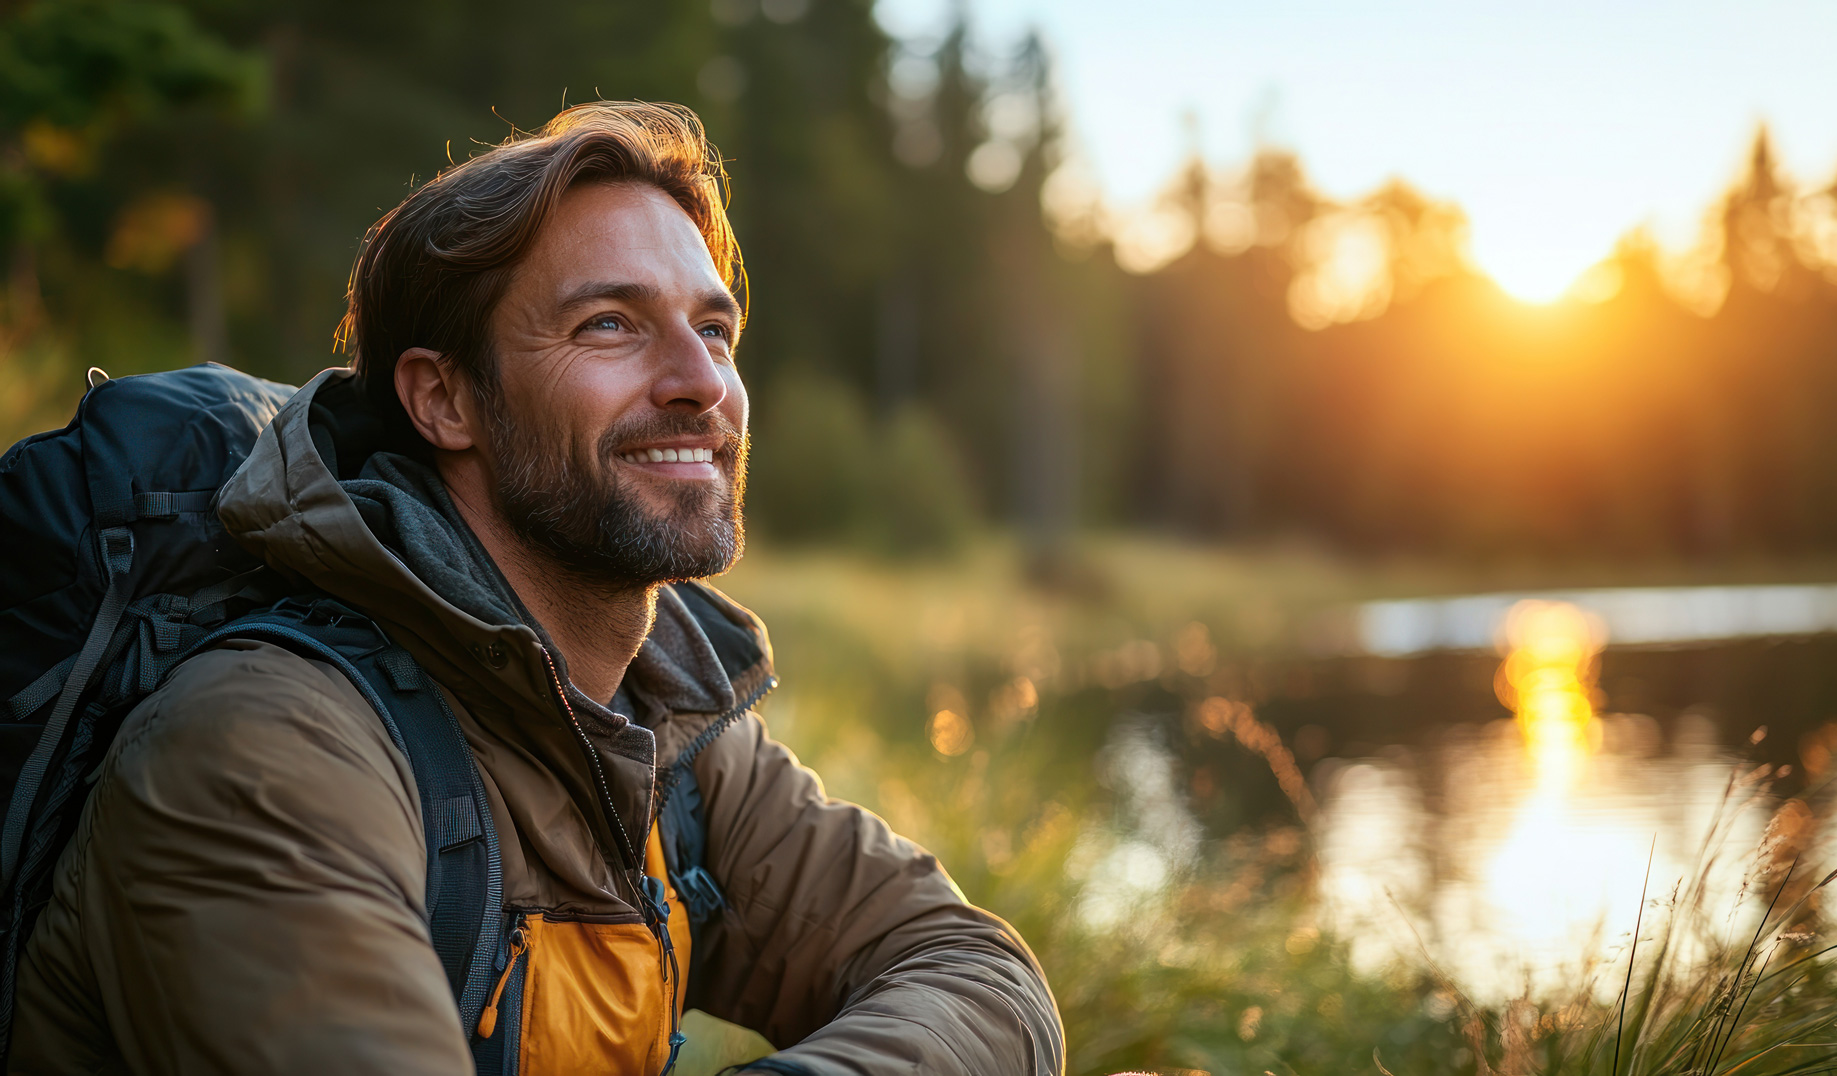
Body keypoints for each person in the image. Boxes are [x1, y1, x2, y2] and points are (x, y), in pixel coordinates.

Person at [13, 101, 1064, 1075]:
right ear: (445, 398)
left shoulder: (665, 734)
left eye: (713, 328)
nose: (700, 380)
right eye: (610, 322)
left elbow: (979, 971)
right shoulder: (266, 750)